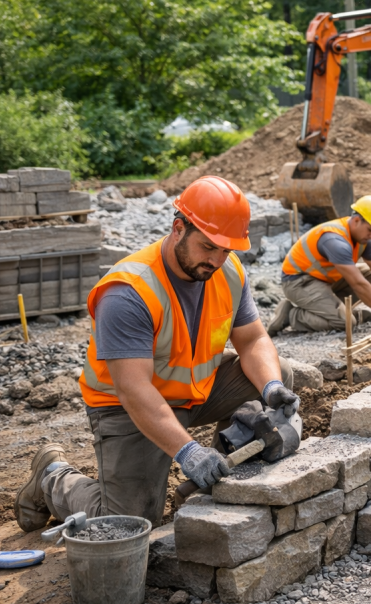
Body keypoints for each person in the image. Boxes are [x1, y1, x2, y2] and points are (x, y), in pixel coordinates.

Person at [15, 176, 300, 531]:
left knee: (278, 373)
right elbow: (134, 388)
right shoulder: (128, 291)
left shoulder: (228, 272)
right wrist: (188, 451)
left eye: (227, 250)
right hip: (127, 407)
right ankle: (52, 476)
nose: (216, 260)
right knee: (127, 522)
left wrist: (271, 387)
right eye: (209, 247)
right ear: (178, 228)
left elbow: (254, 340)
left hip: (195, 392)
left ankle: (209, 486)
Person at [267, 195, 371, 335]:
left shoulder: (362, 239)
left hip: (323, 280)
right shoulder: (335, 240)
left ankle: (333, 310)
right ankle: (291, 315)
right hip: (298, 282)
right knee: (346, 322)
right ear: (356, 220)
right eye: (370, 230)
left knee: (367, 272)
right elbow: (358, 284)